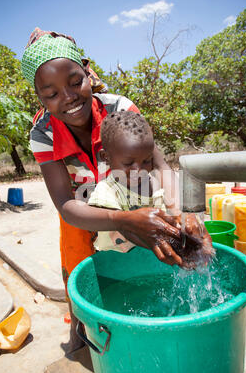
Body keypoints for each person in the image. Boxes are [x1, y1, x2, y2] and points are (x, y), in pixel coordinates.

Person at [21, 28, 211, 351]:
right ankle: (80, 325)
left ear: (87, 70)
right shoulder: (43, 135)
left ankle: (145, 317)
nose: (67, 97)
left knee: (159, 244)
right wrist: (121, 221)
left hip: (130, 193)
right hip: (83, 210)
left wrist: (181, 212)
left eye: (74, 81)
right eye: (51, 94)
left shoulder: (119, 108)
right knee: (77, 261)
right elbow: (66, 204)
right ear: (39, 98)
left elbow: (161, 167)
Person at [88, 110, 211, 267]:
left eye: (146, 161)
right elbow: (128, 229)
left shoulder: (158, 186)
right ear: (106, 158)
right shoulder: (107, 190)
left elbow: (178, 217)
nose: (139, 170)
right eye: (128, 163)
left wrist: (189, 227)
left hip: (151, 266)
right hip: (115, 267)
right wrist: (171, 247)